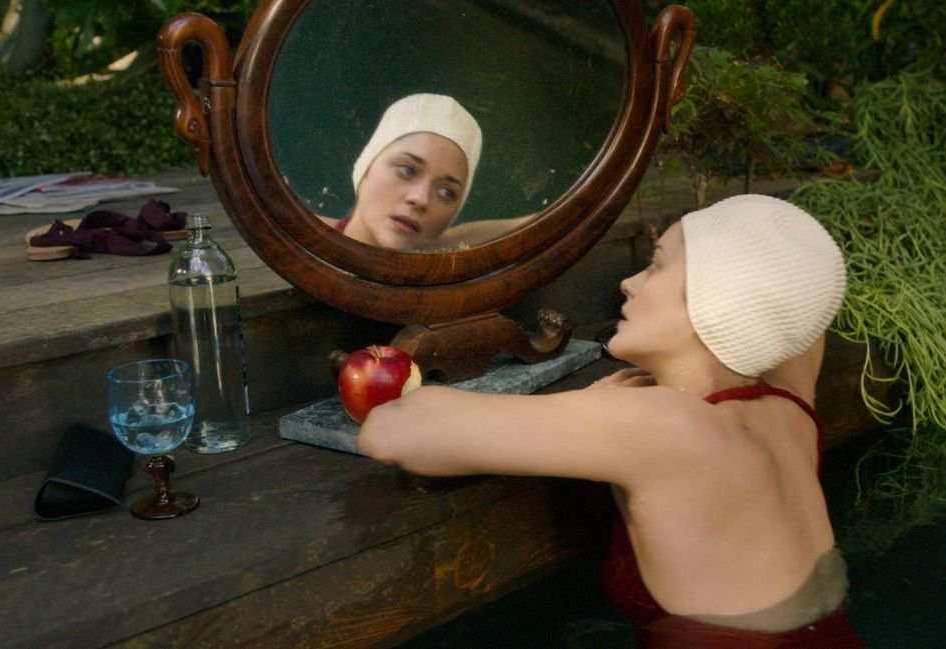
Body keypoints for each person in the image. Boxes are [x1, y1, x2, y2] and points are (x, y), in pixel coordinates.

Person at [357, 194, 868, 647]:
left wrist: (587, 404)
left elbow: (394, 430)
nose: (629, 282)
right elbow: (803, 314)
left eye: (656, 266)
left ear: (720, 298)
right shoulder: (790, 410)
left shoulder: (657, 424)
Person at [323, 93, 530, 251]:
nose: (421, 199)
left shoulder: (448, 291)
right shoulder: (300, 242)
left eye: (447, 193)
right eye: (407, 170)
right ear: (365, 169)